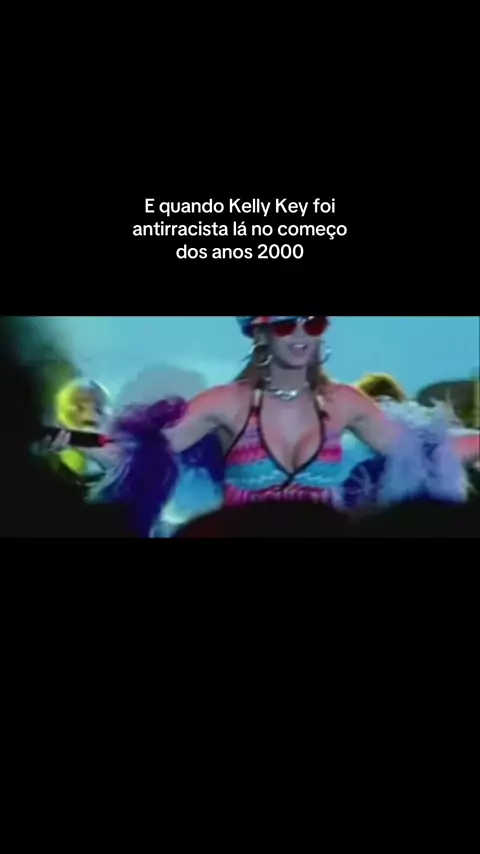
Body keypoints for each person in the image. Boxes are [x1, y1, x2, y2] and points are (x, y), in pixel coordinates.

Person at [94, 316, 480, 537]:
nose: (301, 335)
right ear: (259, 332)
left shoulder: (343, 402)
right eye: (285, 325)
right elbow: (140, 452)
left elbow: (421, 450)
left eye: (314, 322)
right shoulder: (225, 403)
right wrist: (72, 438)